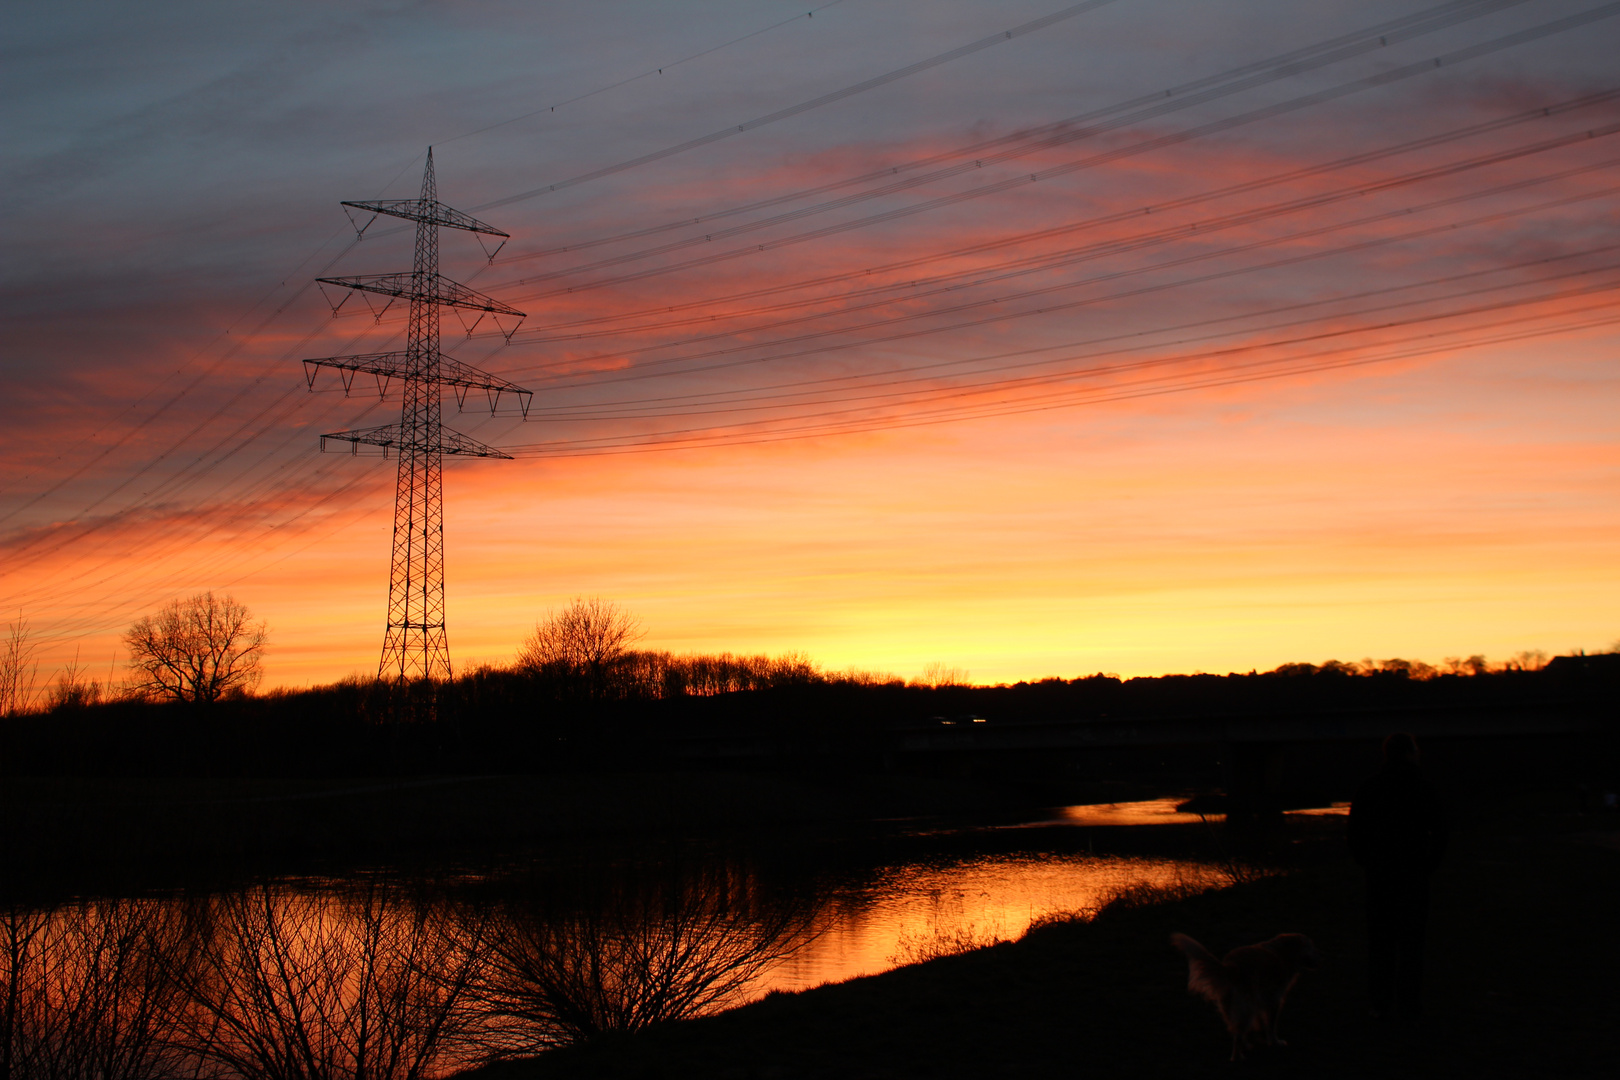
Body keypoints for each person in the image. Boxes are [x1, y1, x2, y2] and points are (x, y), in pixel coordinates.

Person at [1347, 732, 1446, 1021]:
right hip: (1414, 874)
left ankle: (1380, 1003)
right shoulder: (1424, 788)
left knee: (1380, 943)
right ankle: (1409, 1003)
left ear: (1386, 754)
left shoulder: (1370, 787)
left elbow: (1355, 832)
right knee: (1413, 943)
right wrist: (1429, 864)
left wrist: (1365, 861)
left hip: (1379, 874)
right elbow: (1441, 832)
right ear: (1413, 753)